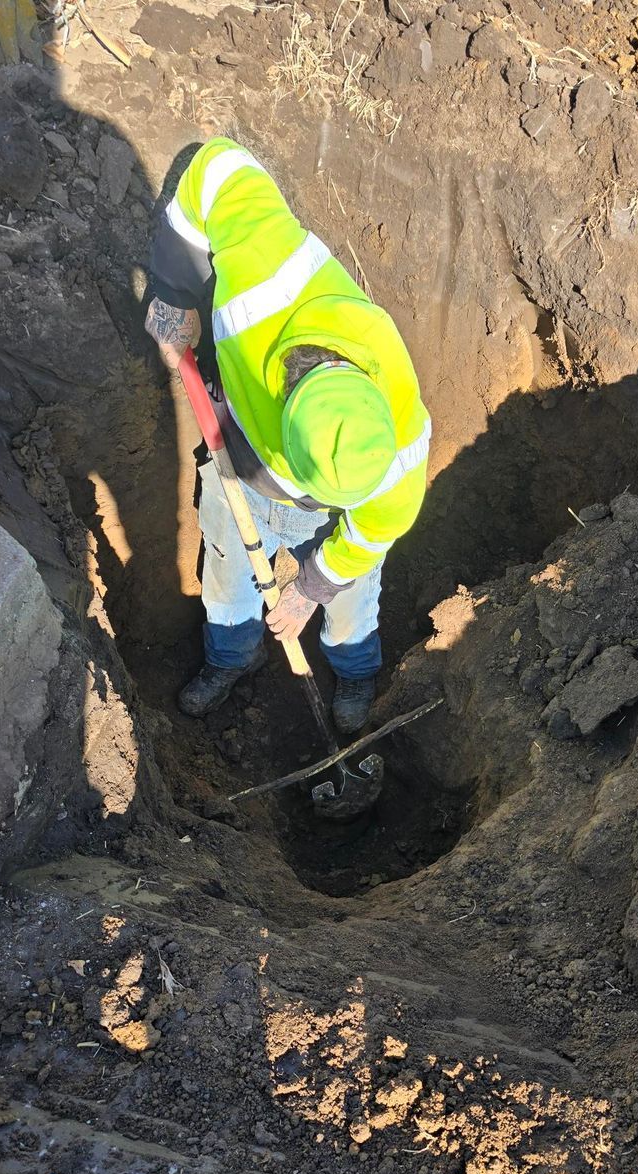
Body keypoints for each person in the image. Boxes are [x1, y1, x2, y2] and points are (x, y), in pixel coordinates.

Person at [145, 137, 431, 732]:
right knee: (228, 569)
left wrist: (312, 587)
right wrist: (173, 293)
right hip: (238, 468)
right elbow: (218, 167)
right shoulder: (263, 281)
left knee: (350, 593)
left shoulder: (399, 445)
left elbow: (375, 530)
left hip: (331, 525)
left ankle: (355, 671)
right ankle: (232, 657)